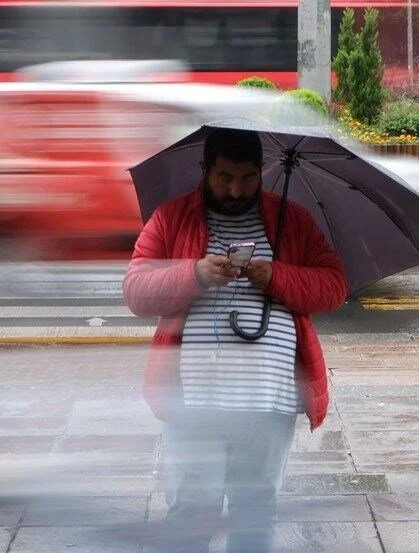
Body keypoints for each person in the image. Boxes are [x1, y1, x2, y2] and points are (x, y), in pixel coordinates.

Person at [123, 129, 347, 553]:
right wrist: (194, 274)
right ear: (205, 169)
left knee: (256, 513)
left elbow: (333, 286)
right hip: (194, 403)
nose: (235, 189)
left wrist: (278, 276)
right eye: (225, 177)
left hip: (269, 401)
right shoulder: (172, 218)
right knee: (190, 512)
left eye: (247, 178)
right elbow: (136, 290)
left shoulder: (291, 220)